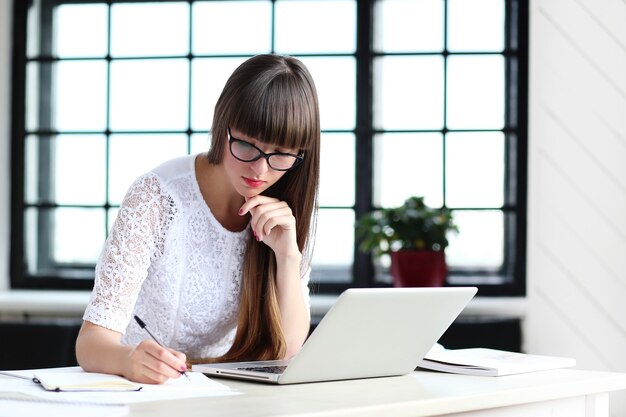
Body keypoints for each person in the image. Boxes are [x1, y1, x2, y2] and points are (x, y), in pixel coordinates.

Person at [75, 54, 321, 384]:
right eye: (247, 145)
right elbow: (90, 344)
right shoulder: (156, 198)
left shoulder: (284, 210)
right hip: (137, 390)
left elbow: (287, 351)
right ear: (223, 127)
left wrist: (288, 257)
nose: (259, 169)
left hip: (221, 392)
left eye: (280, 153)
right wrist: (128, 358)